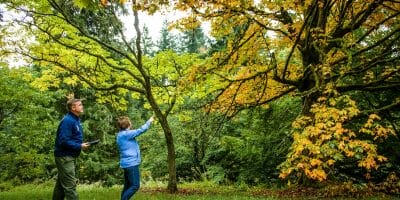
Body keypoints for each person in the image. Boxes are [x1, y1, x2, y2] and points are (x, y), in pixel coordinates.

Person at [53, 98, 90, 200]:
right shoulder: (68, 121)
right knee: (70, 187)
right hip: (65, 157)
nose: (82, 106)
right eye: (80, 105)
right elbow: (63, 141)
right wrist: (79, 146)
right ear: (73, 108)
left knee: (60, 186)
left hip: (69, 156)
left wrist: (80, 145)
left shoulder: (75, 119)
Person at [116, 115, 155, 200]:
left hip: (126, 164)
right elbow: (140, 130)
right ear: (128, 124)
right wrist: (150, 121)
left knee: (127, 186)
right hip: (131, 164)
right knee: (135, 185)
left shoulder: (120, 135)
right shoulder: (126, 134)